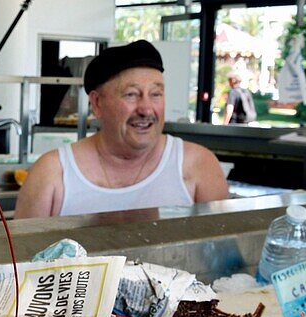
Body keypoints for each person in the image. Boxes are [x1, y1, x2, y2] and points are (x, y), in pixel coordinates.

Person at [14, 40, 229, 219]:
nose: (146, 109)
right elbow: (19, 262)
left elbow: (222, 253)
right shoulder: (54, 172)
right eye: (131, 94)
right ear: (97, 104)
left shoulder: (197, 165)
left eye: (156, 94)